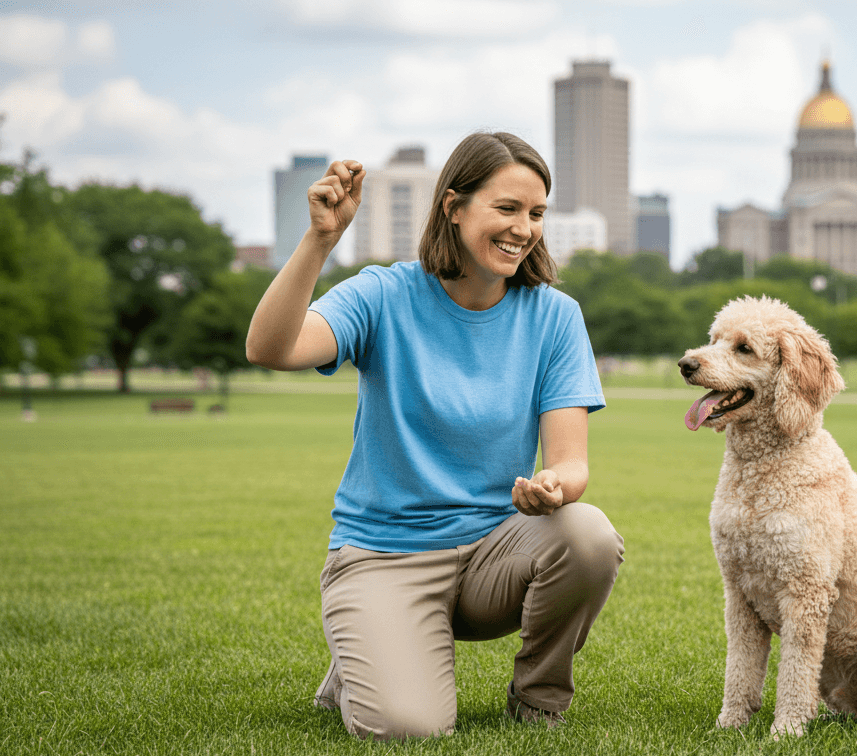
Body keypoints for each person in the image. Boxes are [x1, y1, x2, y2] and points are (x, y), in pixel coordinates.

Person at [246, 132, 623, 741]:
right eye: (506, 209)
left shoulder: (555, 316)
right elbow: (270, 348)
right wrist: (321, 239)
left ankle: (538, 698)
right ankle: (367, 646)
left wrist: (555, 487)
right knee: (409, 727)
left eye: (535, 214)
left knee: (588, 534)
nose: (522, 229)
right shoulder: (384, 293)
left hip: (491, 558)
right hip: (384, 555)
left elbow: (571, 463)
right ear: (453, 206)